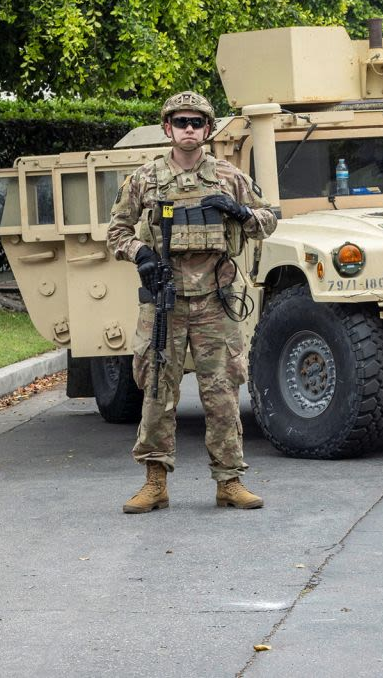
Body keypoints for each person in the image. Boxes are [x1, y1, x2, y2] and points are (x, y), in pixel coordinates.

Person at [106, 91, 277, 513]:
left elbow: (269, 219)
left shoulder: (228, 176)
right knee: (157, 391)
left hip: (215, 301)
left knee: (221, 392)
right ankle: (155, 481)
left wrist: (240, 213)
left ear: (206, 130)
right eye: (180, 122)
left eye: (196, 123)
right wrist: (140, 254)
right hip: (164, 301)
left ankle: (229, 480)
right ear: (167, 128)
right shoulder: (144, 179)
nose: (188, 129)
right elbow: (116, 232)